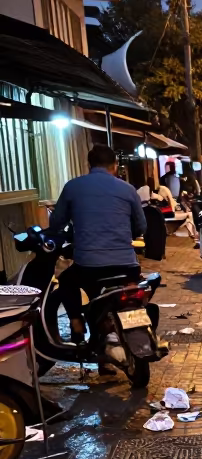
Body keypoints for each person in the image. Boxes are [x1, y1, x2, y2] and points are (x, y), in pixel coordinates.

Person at [49, 144, 146, 344]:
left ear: (89, 164)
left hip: (89, 267)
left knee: (66, 281)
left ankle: (76, 323)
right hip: (127, 266)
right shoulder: (128, 189)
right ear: (115, 166)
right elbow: (141, 226)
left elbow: (56, 222)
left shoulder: (73, 187)